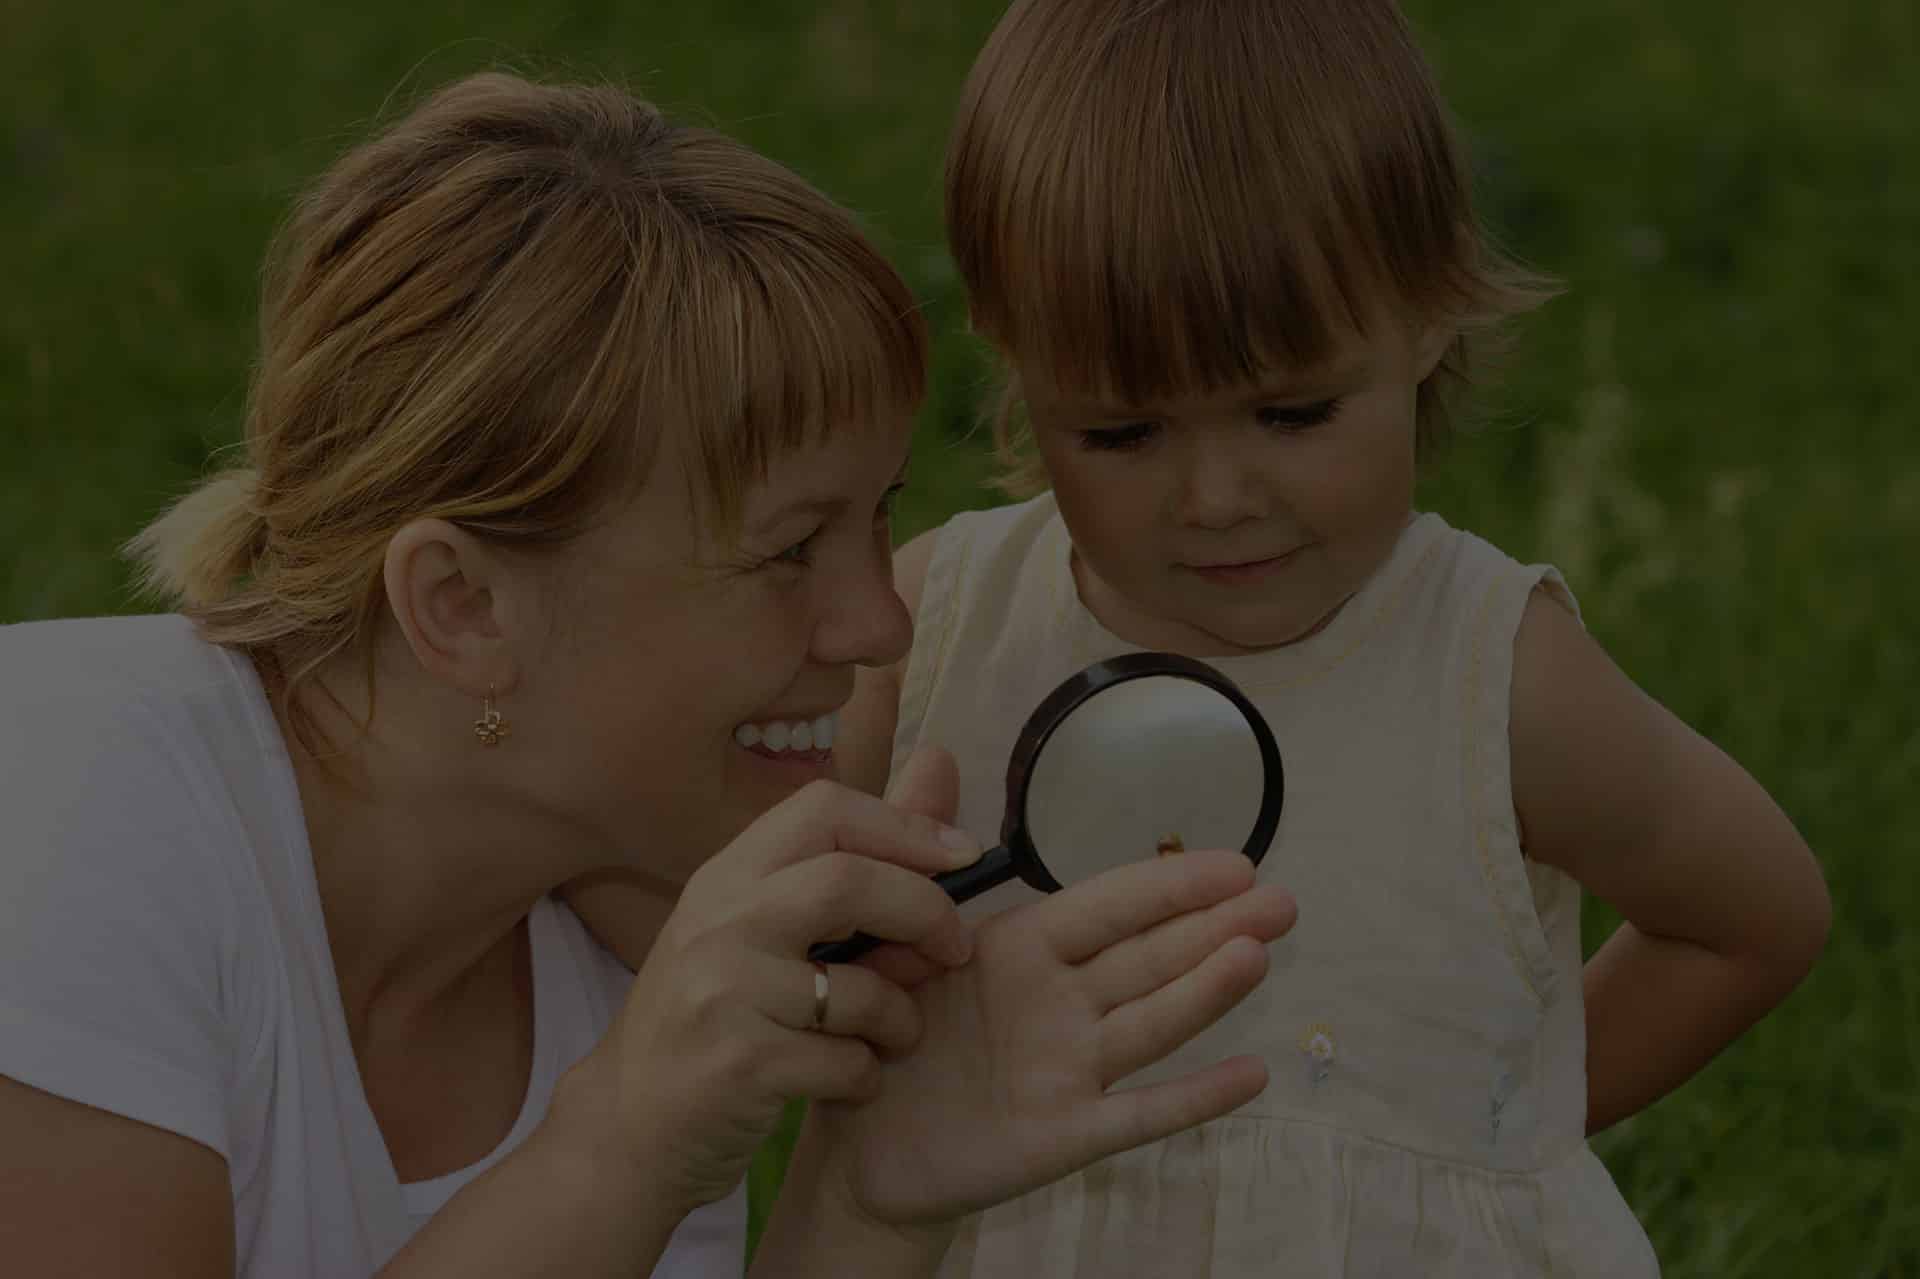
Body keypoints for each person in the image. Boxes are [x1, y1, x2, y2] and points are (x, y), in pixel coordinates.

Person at [0, 71, 1300, 1278]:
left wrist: (866, 1198)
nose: (873, 626)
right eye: (790, 548)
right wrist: (616, 1136)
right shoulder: (66, 810)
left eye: (874, 521)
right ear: (461, 605)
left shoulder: (626, 958)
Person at [835, 1, 1833, 1274]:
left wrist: (1488, 1140)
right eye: (1125, 433)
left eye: (1293, 412)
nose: (1217, 499)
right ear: (1013, 359)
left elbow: (1753, 916)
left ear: (1429, 317)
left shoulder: (1489, 675)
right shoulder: (937, 633)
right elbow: (729, 909)